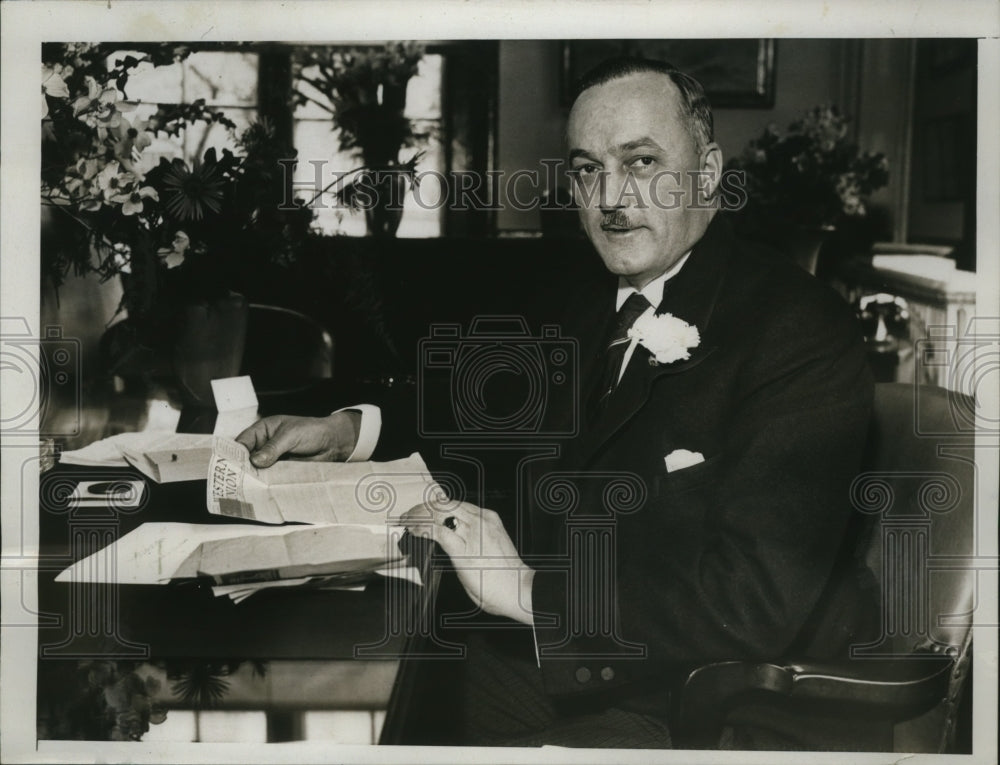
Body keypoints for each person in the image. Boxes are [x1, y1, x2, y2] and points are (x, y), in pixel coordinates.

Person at [237, 58, 876, 749]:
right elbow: (477, 414)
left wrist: (525, 591)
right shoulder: (582, 295)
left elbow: (753, 598)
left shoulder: (799, 330)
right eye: (586, 170)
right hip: (560, 665)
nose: (610, 197)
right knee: (393, 682)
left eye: (639, 162)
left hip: (694, 706)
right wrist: (348, 431)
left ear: (709, 170)